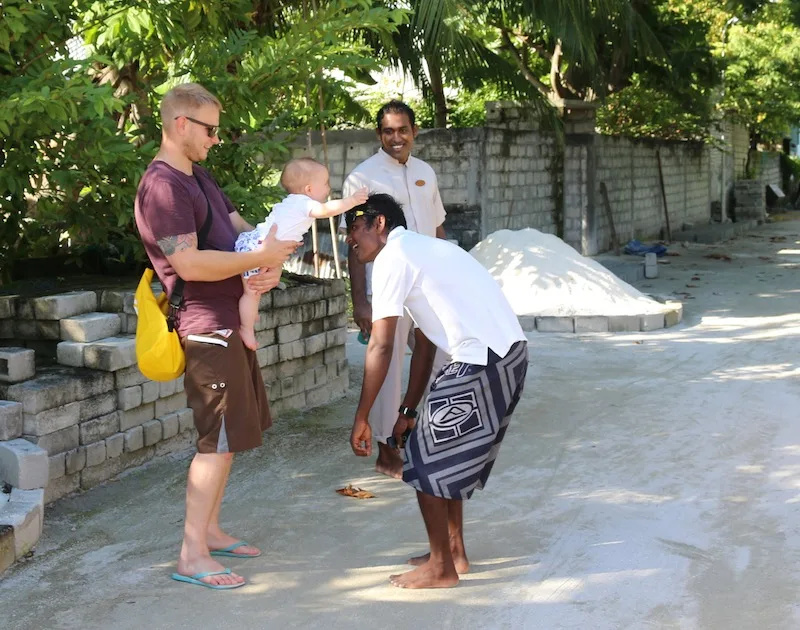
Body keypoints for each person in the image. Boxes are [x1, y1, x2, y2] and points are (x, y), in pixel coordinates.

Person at [134, 83, 298, 590]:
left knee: (227, 442)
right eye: (210, 128)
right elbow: (186, 262)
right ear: (181, 124)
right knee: (215, 442)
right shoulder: (163, 187)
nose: (216, 138)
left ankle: (210, 530)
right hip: (205, 326)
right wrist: (257, 260)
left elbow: (238, 229)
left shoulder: (198, 177)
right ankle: (191, 554)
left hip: (228, 318)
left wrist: (265, 262)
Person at [345, 194, 528, 589]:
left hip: (483, 358)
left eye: (354, 227)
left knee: (422, 461)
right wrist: (408, 409)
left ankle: (441, 569)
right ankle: (453, 553)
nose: (349, 239)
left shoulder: (395, 255)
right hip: (499, 355)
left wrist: (362, 417)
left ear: (379, 224)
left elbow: (381, 345)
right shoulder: (422, 251)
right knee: (440, 456)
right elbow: (426, 343)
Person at [342, 100, 447, 478]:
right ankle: (387, 449)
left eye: (403, 130)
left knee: (441, 357)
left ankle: (427, 430)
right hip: (386, 284)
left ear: (414, 132)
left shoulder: (425, 173)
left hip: (427, 284)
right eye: (388, 131)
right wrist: (360, 302)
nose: (396, 138)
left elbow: (437, 229)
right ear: (378, 135)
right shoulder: (361, 178)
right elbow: (354, 242)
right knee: (387, 366)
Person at [234, 158, 367, 350]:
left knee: (254, 291)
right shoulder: (304, 203)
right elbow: (326, 210)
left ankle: (250, 314)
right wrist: (352, 201)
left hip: (256, 243)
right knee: (251, 293)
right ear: (309, 189)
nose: (329, 189)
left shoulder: (290, 203)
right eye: (326, 184)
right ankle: (246, 328)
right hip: (259, 248)